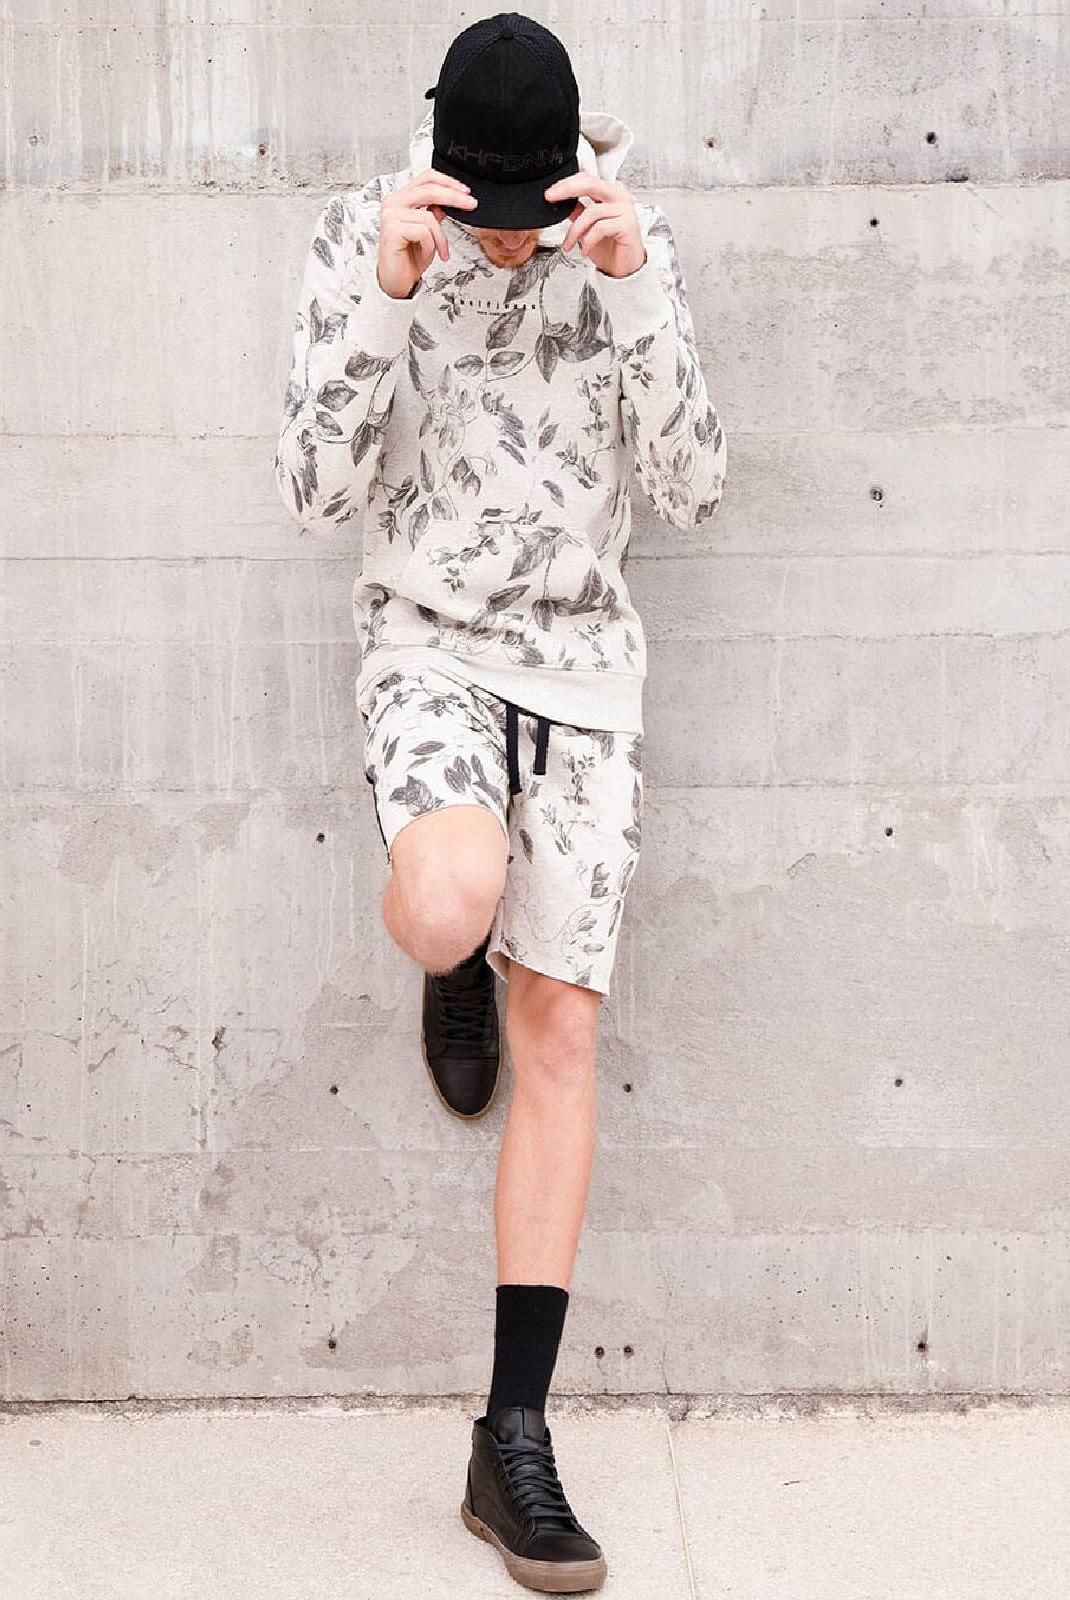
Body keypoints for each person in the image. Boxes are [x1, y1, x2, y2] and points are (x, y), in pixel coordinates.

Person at [274, 11, 726, 1592]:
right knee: (453, 899)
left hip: (586, 674)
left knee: (564, 1038)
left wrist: (635, 284)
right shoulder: (368, 231)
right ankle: (457, 945)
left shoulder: (618, 242)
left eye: (536, 211)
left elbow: (696, 487)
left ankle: (511, 1440)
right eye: (497, 217)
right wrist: (389, 297)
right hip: (429, 648)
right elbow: (313, 493)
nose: (518, 243)